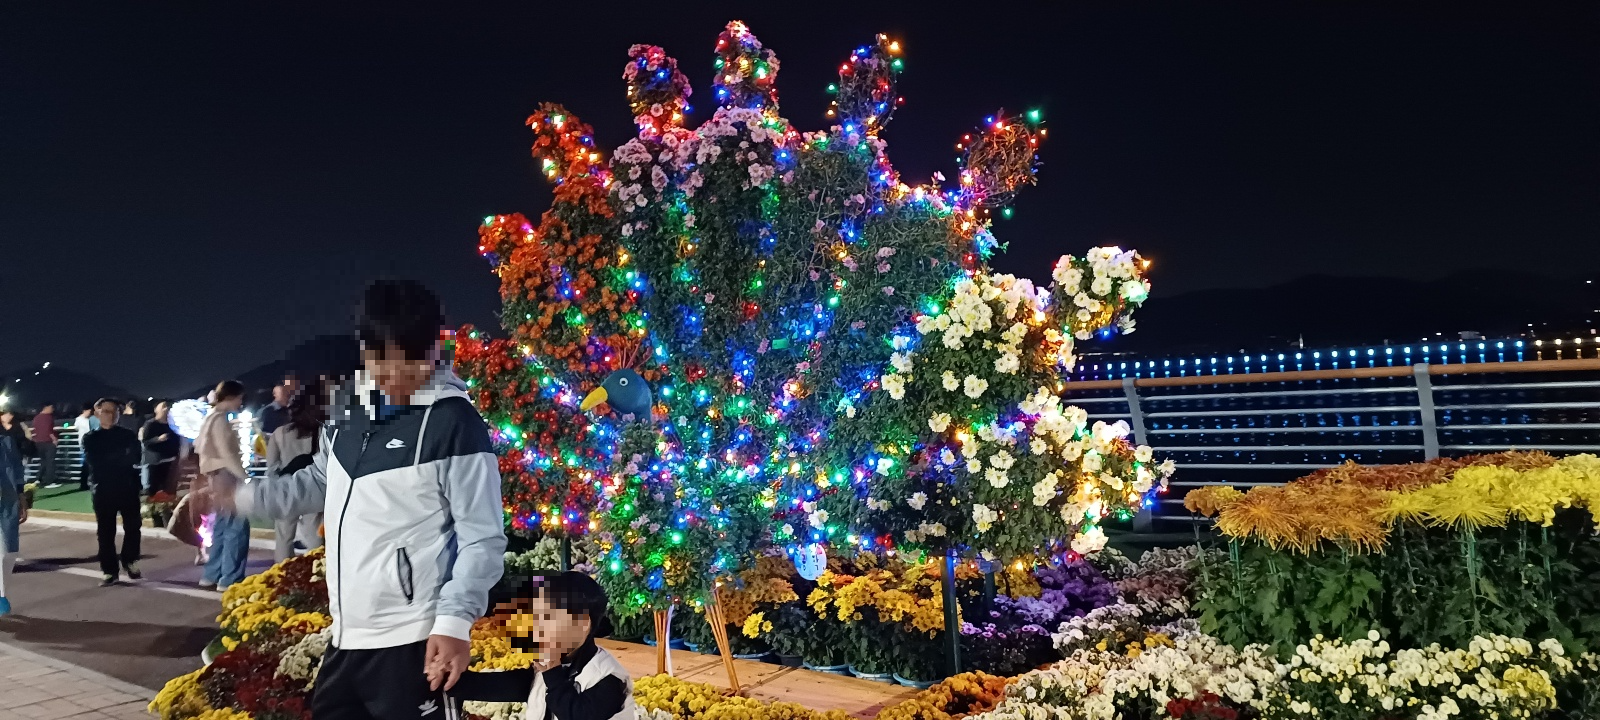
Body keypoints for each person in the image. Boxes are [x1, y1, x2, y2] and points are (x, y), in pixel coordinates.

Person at [238, 278, 506, 720]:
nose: (394, 374)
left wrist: (455, 622)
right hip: (347, 639)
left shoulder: (454, 423)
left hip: (413, 642)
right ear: (363, 350)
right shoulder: (348, 408)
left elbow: (482, 539)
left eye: (411, 361)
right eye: (380, 358)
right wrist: (242, 498)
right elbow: (318, 481)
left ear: (436, 350)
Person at [433, 572, 634, 720]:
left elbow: (576, 714)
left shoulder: (609, 679)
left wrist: (554, 674)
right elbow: (496, 686)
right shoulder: (544, 669)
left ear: (583, 624)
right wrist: (449, 678)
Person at [82, 398, 143, 586]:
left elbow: (135, 456)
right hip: (103, 489)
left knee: (133, 527)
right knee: (106, 532)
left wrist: (118, 458)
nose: (111, 415)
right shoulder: (91, 438)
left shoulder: (127, 434)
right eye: (107, 411)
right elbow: (96, 462)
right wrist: (121, 457)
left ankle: (129, 560)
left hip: (128, 487)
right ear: (97, 412)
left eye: (115, 411)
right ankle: (109, 571)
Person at [196, 381, 251, 591]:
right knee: (237, 527)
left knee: (221, 525)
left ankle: (212, 573)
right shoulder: (220, 420)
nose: (241, 402)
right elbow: (226, 454)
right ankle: (230, 578)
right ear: (231, 396)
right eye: (240, 398)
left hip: (215, 476)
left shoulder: (210, 418)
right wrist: (244, 476)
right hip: (226, 475)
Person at [265, 380, 326, 562]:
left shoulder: (279, 433)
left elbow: (272, 466)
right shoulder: (321, 430)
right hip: (311, 486)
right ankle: (316, 573)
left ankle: (283, 573)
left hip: (286, 486)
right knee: (314, 535)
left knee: (284, 537)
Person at [0, 409, 34, 615]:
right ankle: (0, 595)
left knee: (10, 551)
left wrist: (21, 497)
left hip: (8, 500)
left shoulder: (7, 441)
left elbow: (17, 469)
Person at [140, 401, 181, 525]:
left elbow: (177, 442)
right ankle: (156, 519)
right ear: (156, 410)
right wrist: (158, 439)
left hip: (170, 461)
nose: (166, 408)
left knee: (168, 491)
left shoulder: (172, 425)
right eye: (163, 406)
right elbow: (146, 442)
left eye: (167, 406)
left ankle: (167, 518)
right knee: (154, 491)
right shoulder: (151, 424)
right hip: (155, 462)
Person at [31, 404, 58, 488]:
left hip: (38, 442)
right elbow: (49, 430)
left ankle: (38, 479)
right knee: (50, 461)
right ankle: (50, 481)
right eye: (51, 408)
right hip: (48, 442)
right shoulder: (48, 417)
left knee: (43, 461)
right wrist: (54, 439)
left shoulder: (36, 418)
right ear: (46, 408)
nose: (52, 410)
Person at [74, 405, 100, 491]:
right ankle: (88, 482)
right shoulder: (88, 420)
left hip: (83, 444)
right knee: (89, 464)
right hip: (89, 444)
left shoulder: (78, 420)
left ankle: (84, 483)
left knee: (85, 464)